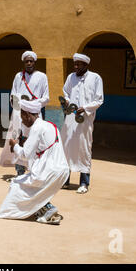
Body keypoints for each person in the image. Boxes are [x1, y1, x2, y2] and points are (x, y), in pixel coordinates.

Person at [0, 99, 69, 225]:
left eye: (22, 117)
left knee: (16, 184)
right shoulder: (51, 125)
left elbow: (25, 155)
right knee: (33, 189)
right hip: (62, 171)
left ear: (28, 115)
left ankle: (47, 208)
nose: (22, 120)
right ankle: (44, 209)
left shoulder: (36, 128)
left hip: (48, 172)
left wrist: (14, 146)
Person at [0, 51, 49, 178]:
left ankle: (34, 171)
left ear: (34, 62)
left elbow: (46, 98)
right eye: (26, 61)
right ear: (24, 62)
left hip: (34, 115)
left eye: (31, 61)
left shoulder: (42, 77)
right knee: (19, 140)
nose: (29, 63)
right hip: (19, 115)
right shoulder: (18, 76)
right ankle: (19, 172)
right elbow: (13, 95)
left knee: (35, 142)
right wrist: (19, 105)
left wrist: (33, 104)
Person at [60, 53, 104, 194]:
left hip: (85, 119)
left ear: (86, 65)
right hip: (70, 118)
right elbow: (65, 92)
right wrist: (67, 101)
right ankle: (65, 181)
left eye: (79, 64)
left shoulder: (95, 78)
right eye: (75, 64)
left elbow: (99, 100)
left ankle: (84, 183)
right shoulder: (71, 77)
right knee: (66, 147)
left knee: (83, 148)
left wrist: (84, 108)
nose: (76, 66)